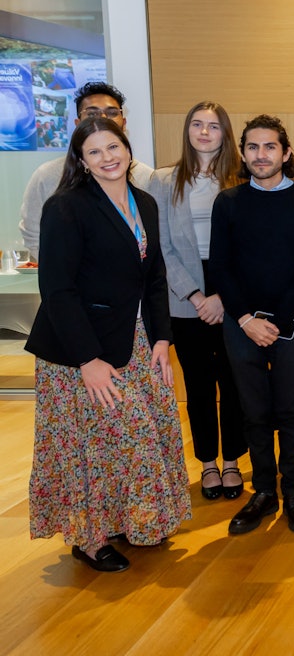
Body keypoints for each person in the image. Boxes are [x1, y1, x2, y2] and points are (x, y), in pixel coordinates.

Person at [26, 116, 190, 573]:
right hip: (78, 349)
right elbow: (57, 290)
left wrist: (162, 339)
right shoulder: (66, 207)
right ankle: (90, 538)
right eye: (94, 151)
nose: (107, 157)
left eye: (113, 146)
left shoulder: (145, 202)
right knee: (93, 445)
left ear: (126, 146)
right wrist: (87, 361)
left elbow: (154, 277)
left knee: (141, 433)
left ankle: (126, 521)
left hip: (137, 339)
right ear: (81, 159)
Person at [209, 115, 294, 535]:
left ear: (286, 153)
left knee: (289, 410)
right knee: (253, 411)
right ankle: (263, 491)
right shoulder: (228, 203)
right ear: (243, 153)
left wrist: (273, 322)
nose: (262, 155)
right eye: (254, 147)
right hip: (240, 322)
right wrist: (245, 319)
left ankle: (293, 490)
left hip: (290, 320)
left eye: (270, 147)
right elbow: (221, 267)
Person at [148, 101, 246, 503]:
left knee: (234, 381)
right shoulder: (163, 180)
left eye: (214, 126)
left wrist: (223, 296)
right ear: (187, 130)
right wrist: (195, 294)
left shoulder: (241, 179)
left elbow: (249, 246)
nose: (205, 132)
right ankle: (207, 462)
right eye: (197, 124)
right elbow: (161, 247)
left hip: (232, 293)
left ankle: (234, 461)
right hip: (184, 297)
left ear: (225, 133)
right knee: (200, 385)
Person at [19, 81, 154, 259]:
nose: (103, 118)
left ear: (124, 122)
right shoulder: (47, 176)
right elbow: (33, 234)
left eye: (112, 113)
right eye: (92, 113)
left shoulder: (146, 177)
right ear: (77, 123)